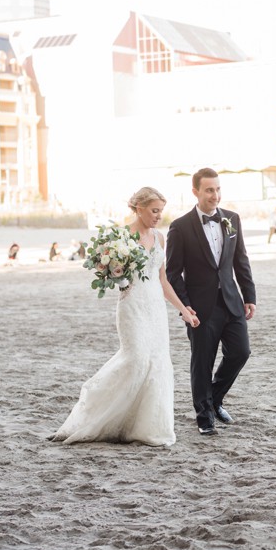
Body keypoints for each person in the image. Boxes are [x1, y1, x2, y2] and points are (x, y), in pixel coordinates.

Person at [49, 187, 200, 446]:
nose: (158, 216)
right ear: (138, 208)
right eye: (154, 211)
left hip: (155, 309)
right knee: (136, 359)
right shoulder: (121, 237)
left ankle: (146, 428)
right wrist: (115, 272)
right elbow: (109, 271)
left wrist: (184, 310)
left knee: (157, 363)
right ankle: (96, 416)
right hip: (132, 306)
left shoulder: (160, 238)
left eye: (161, 211)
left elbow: (163, 280)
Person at [166, 168, 256, 436]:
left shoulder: (232, 219)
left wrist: (249, 295)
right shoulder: (179, 227)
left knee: (241, 352)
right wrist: (185, 305)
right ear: (195, 192)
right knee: (202, 361)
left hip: (231, 301)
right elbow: (172, 273)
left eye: (217, 189)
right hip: (200, 307)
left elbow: (241, 259)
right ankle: (204, 415)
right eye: (208, 190)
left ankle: (214, 399)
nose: (214, 195)